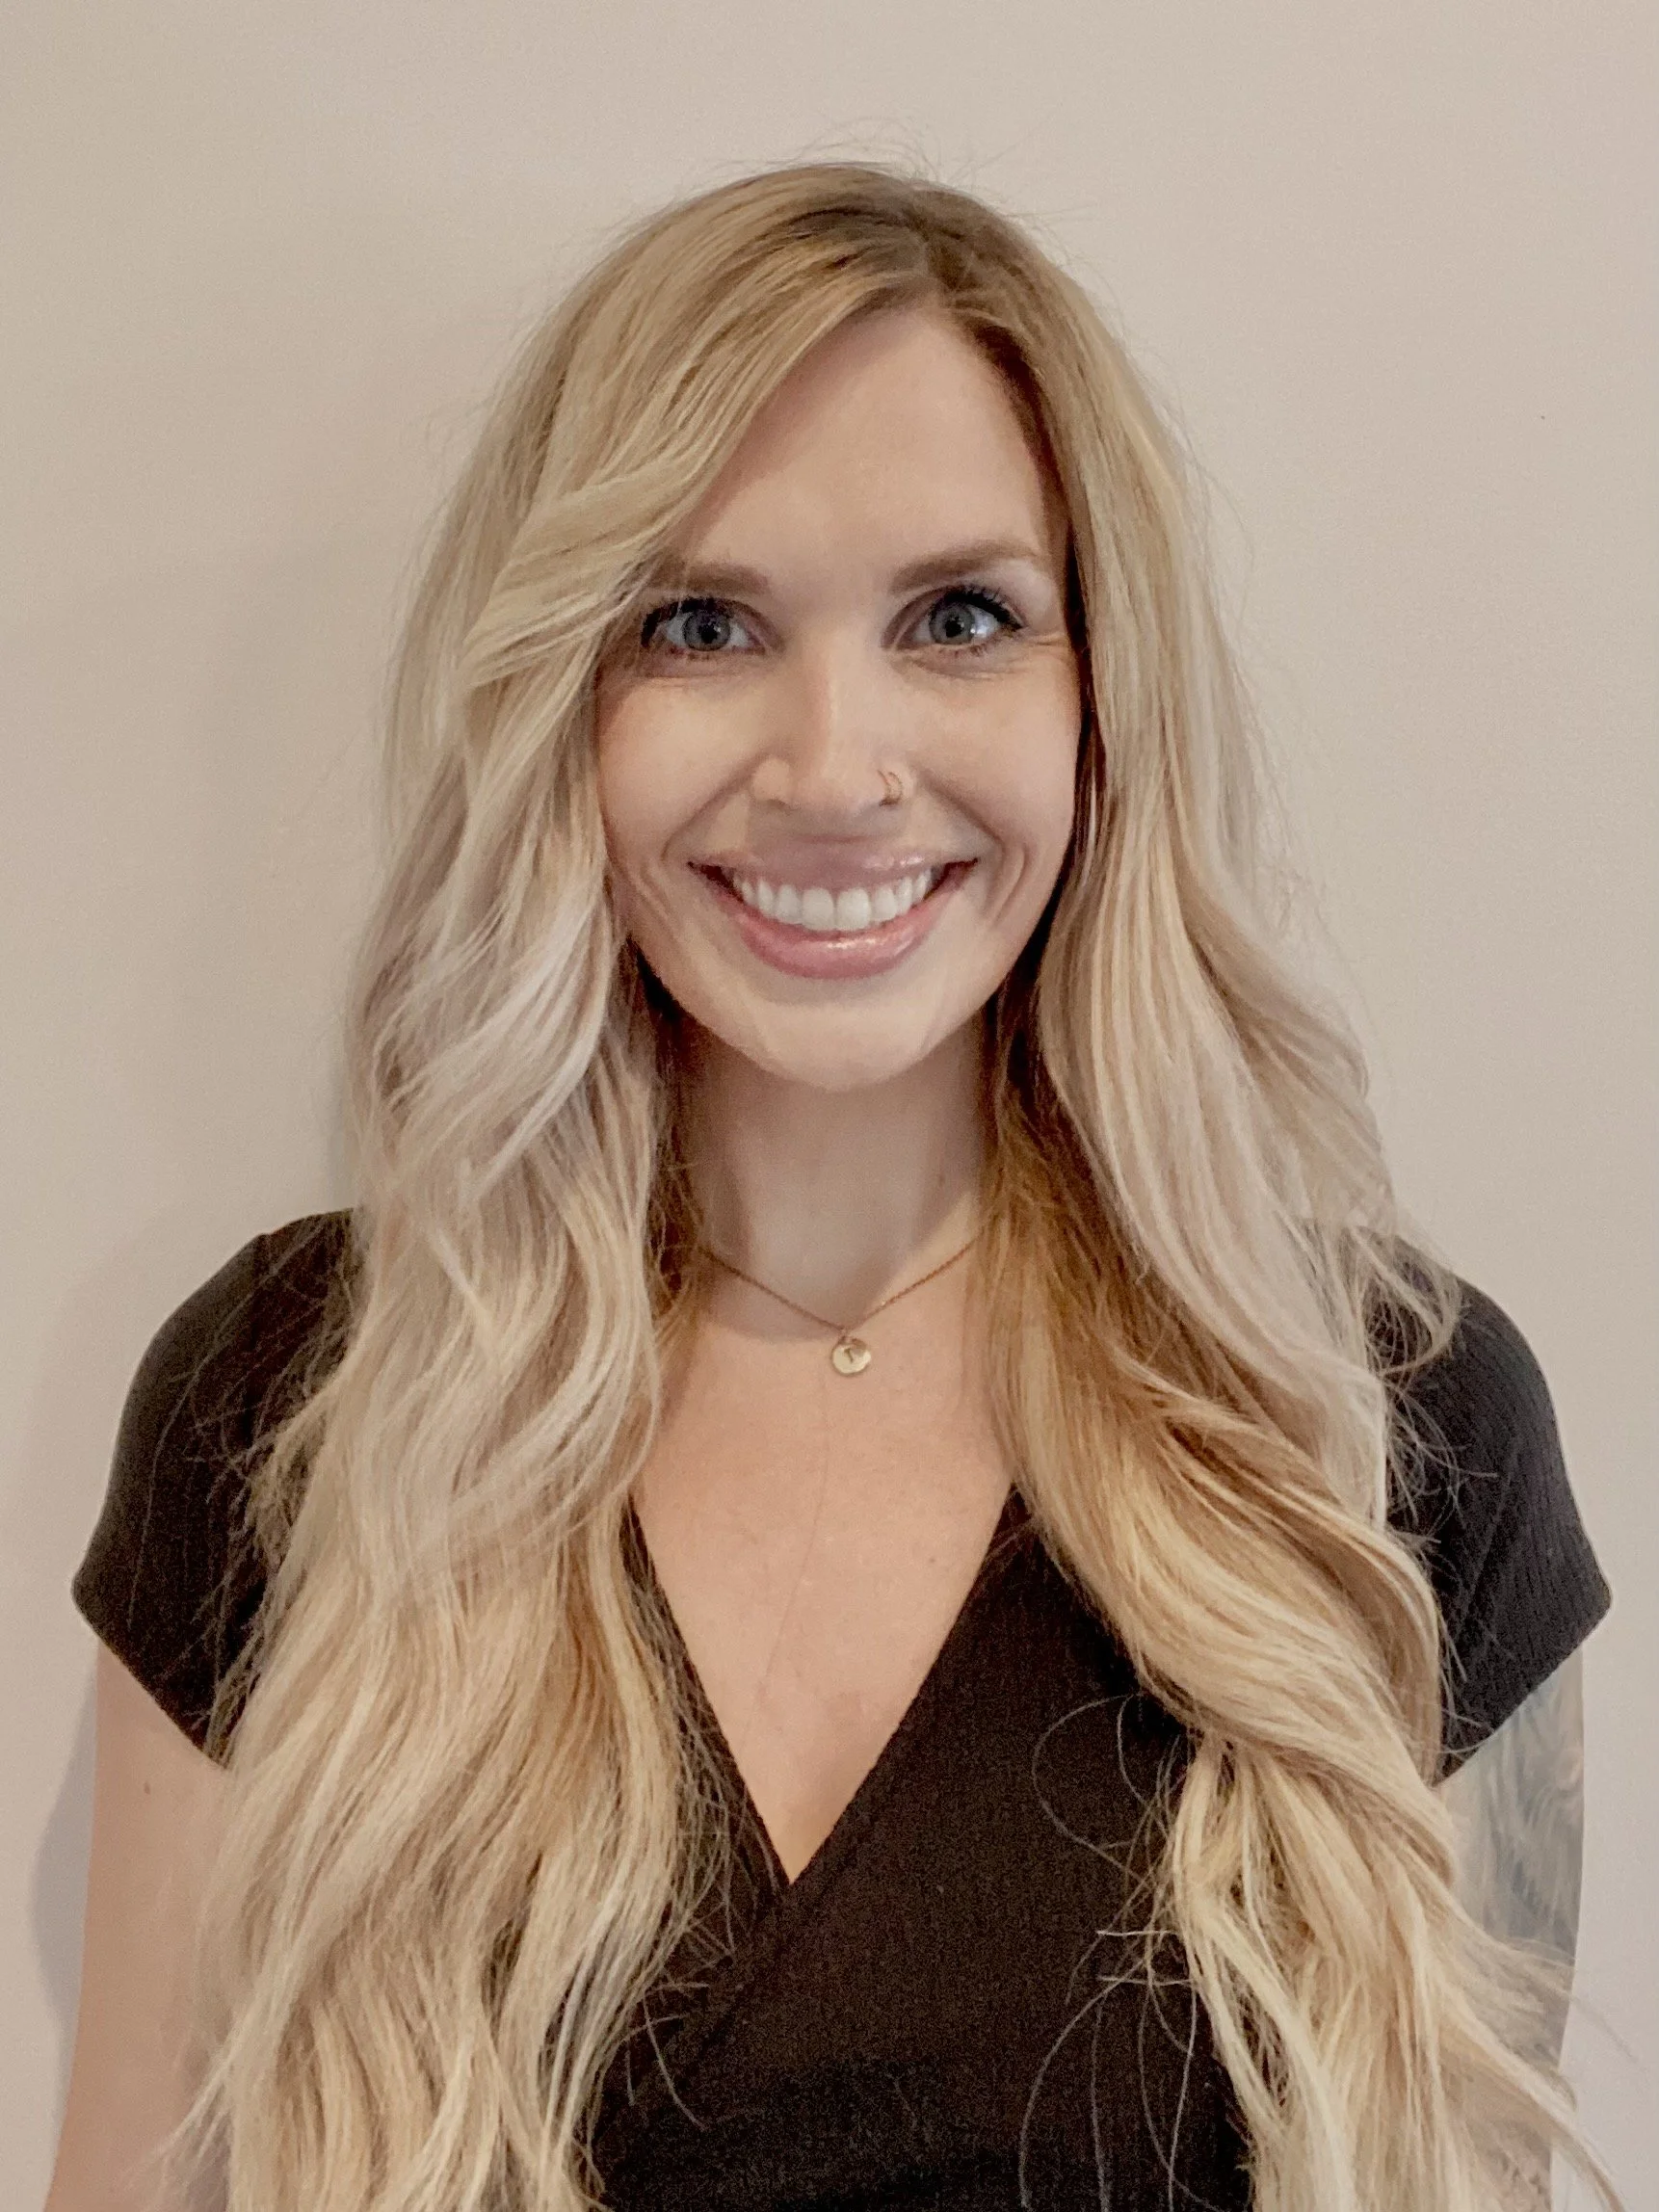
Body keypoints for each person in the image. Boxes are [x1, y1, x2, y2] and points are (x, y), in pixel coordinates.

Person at [48, 162, 1618, 2212]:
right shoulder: (290, 1406)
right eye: (701, 623)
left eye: (957, 617)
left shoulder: (1389, 1429)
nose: (831, 761)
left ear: (1098, 699)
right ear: (567, 705)